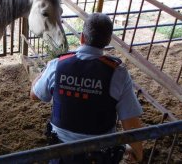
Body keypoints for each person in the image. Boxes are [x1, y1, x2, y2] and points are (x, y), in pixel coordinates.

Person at [30, 13, 143, 163]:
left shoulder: (57, 65)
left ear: (82, 37)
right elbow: (130, 121)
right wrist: (138, 153)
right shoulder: (118, 73)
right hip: (100, 155)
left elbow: (35, 95)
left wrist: (40, 75)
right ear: (108, 40)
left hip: (60, 153)